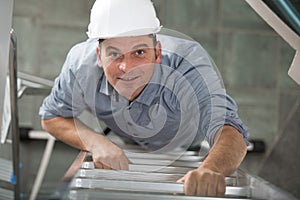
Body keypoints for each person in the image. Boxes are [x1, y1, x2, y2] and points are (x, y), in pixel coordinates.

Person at [39, 0, 248, 197]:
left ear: (157, 53)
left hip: (185, 148)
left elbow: (228, 128)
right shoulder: (80, 66)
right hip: (126, 142)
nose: (126, 68)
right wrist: (94, 142)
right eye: (113, 54)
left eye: (139, 52)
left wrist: (211, 170)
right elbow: (51, 117)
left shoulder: (187, 66)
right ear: (98, 56)